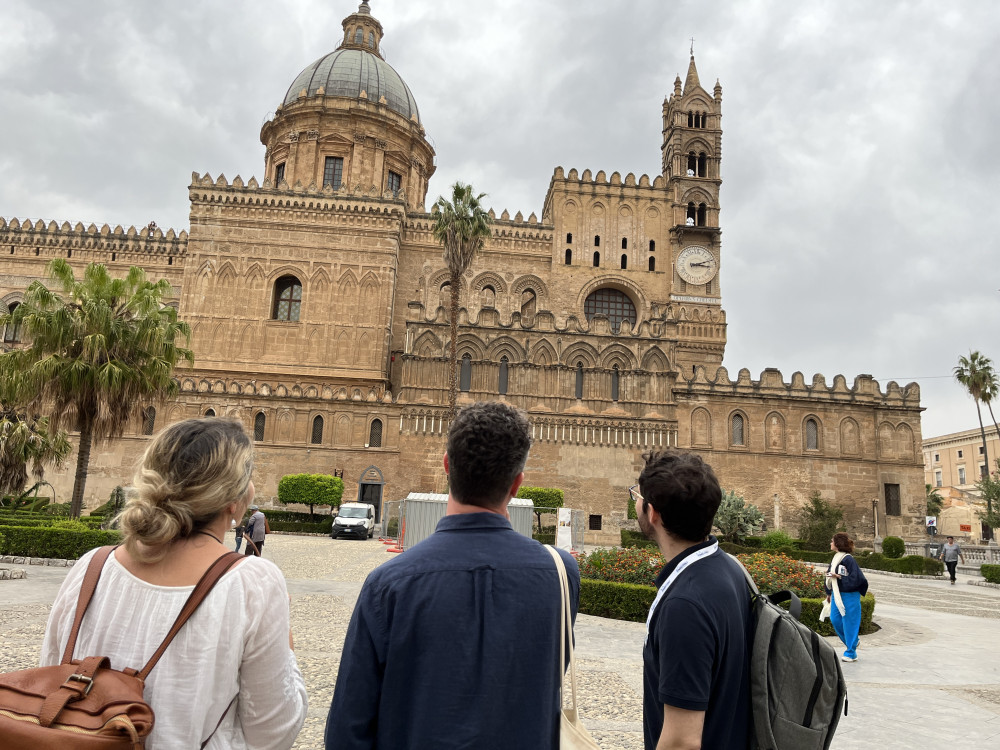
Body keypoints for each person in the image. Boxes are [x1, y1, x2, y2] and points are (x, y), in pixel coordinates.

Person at [324, 401, 580, 750]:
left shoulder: (389, 584)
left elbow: (347, 730)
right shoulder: (561, 575)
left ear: (447, 466)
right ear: (517, 483)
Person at [40, 417, 307, 749]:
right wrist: (286, 642)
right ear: (233, 499)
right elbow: (273, 731)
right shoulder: (253, 584)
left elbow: (50, 684)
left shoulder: (91, 567)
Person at [633, 450, 751, 750]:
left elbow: (682, 742)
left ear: (653, 513)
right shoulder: (729, 569)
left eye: (638, 495)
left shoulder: (685, 606)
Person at [825, 532, 869, 663]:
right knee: (835, 619)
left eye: (832, 541)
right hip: (837, 595)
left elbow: (856, 578)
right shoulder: (835, 558)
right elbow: (829, 575)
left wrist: (839, 577)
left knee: (849, 623)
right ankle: (854, 641)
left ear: (838, 543)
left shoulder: (848, 559)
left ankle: (851, 652)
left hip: (850, 595)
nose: (830, 543)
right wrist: (828, 592)